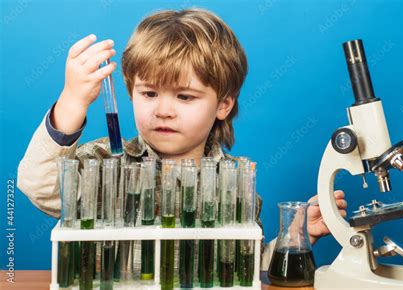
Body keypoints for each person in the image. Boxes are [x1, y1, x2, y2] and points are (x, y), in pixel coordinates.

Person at [17, 8, 347, 270]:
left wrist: (294, 237)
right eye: (148, 93)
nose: (163, 110)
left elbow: (245, 269)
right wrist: (71, 102)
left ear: (223, 105)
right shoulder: (103, 163)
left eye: (185, 97)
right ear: (130, 93)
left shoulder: (235, 185)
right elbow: (39, 185)